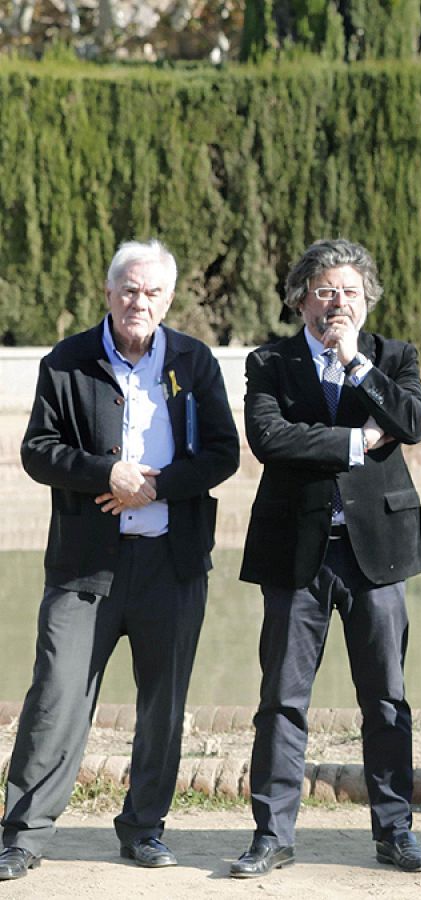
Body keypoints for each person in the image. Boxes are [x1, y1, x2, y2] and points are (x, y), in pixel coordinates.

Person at [0, 240, 239, 881]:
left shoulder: (195, 361)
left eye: (152, 292)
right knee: (55, 696)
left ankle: (143, 830)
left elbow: (223, 454)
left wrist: (158, 485)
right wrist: (107, 471)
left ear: (168, 299)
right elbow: (37, 451)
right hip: (84, 567)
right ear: (109, 293)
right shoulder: (68, 361)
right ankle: (22, 834)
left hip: (173, 561)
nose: (139, 302)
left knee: (163, 702)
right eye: (128, 290)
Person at [231, 239, 421, 878]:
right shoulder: (270, 362)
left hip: (377, 553)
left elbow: (413, 422)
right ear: (300, 300)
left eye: (348, 291)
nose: (337, 302)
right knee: (283, 698)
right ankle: (272, 833)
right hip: (296, 551)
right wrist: (355, 440)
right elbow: (269, 439)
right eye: (323, 290)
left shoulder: (393, 357)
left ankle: (395, 831)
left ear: (367, 299)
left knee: (387, 698)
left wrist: (355, 367)